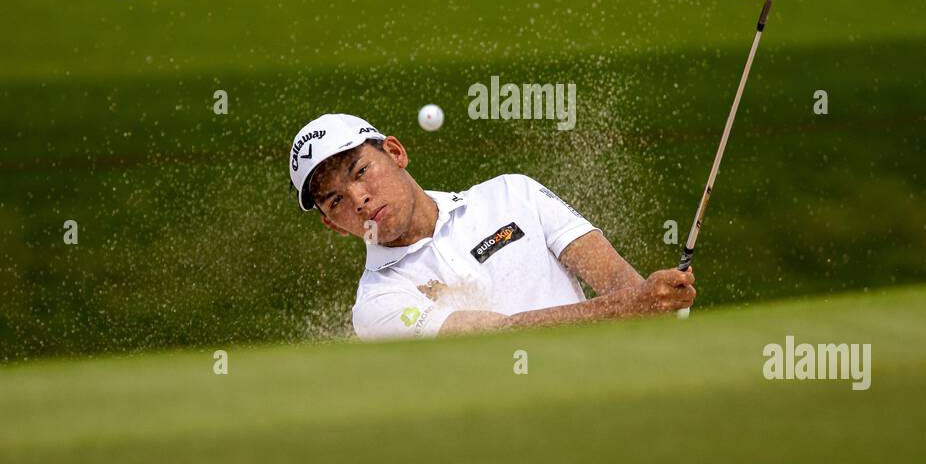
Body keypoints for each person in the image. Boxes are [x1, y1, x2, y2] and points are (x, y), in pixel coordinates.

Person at [289, 113, 697, 340]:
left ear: (395, 153)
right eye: (336, 200)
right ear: (332, 224)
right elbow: (501, 336)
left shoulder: (513, 194)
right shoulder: (376, 305)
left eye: (361, 171)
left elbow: (617, 281)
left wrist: (651, 301)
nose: (358, 199)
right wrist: (630, 305)